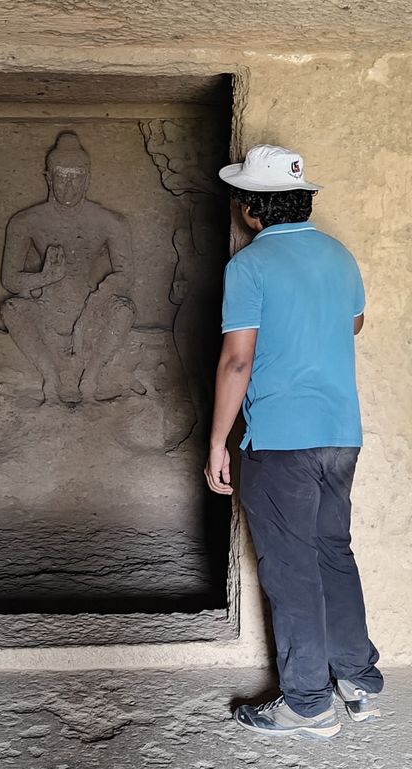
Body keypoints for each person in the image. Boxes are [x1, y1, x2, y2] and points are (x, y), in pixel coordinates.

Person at [205, 145, 382, 738]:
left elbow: (237, 362)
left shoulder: (250, 266)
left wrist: (216, 443)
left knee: (291, 567)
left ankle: (307, 702)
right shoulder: (339, 255)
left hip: (281, 437)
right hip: (340, 434)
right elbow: (354, 322)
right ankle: (356, 677)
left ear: (252, 208)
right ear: (303, 199)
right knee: (333, 551)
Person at [0, 132, 134, 404]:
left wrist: (98, 297)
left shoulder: (109, 222)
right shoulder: (26, 221)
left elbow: (126, 275)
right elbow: (9, 280)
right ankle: (50, 377)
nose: (68, 186)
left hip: (91, 307)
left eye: (76, 178)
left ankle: (91, 378)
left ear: (87, 178)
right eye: (61, 177)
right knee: (11, 309)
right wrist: (45, 277)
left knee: (124, 310)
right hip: (46, 306)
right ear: (49, 178)